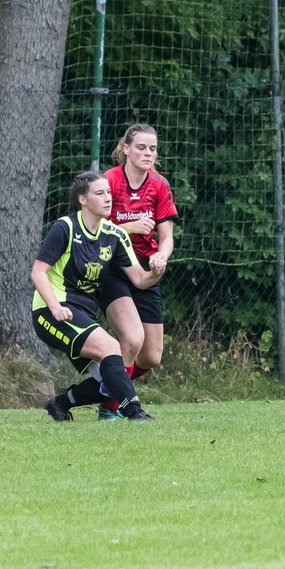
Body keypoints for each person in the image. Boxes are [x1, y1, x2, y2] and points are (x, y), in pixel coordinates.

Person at [32, 170, 164, 422]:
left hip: (80, 313)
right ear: (83, 199)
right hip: (51, 310)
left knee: (109, 376)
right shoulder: (66, 227)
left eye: (109, 193)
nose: (108, 198)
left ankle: (60, 404)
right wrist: (54, 307)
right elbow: (38, 273)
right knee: (112, 349)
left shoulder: (115, 235)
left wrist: (156, 271)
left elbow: (139, 278)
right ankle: (135, 412)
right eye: (100, 193)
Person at [95, 124, 178, 420]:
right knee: (131, 338)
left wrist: (160, 256)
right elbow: (93, 230)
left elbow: (167, 237)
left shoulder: (159, 185)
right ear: (126, 149)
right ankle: (110, 409)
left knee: (152, 356)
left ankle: (104, 381)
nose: (147, 153)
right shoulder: (109, 181)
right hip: (113, 267)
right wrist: (128, 227)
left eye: (152, 149)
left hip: (145, 268)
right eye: (141, 147)